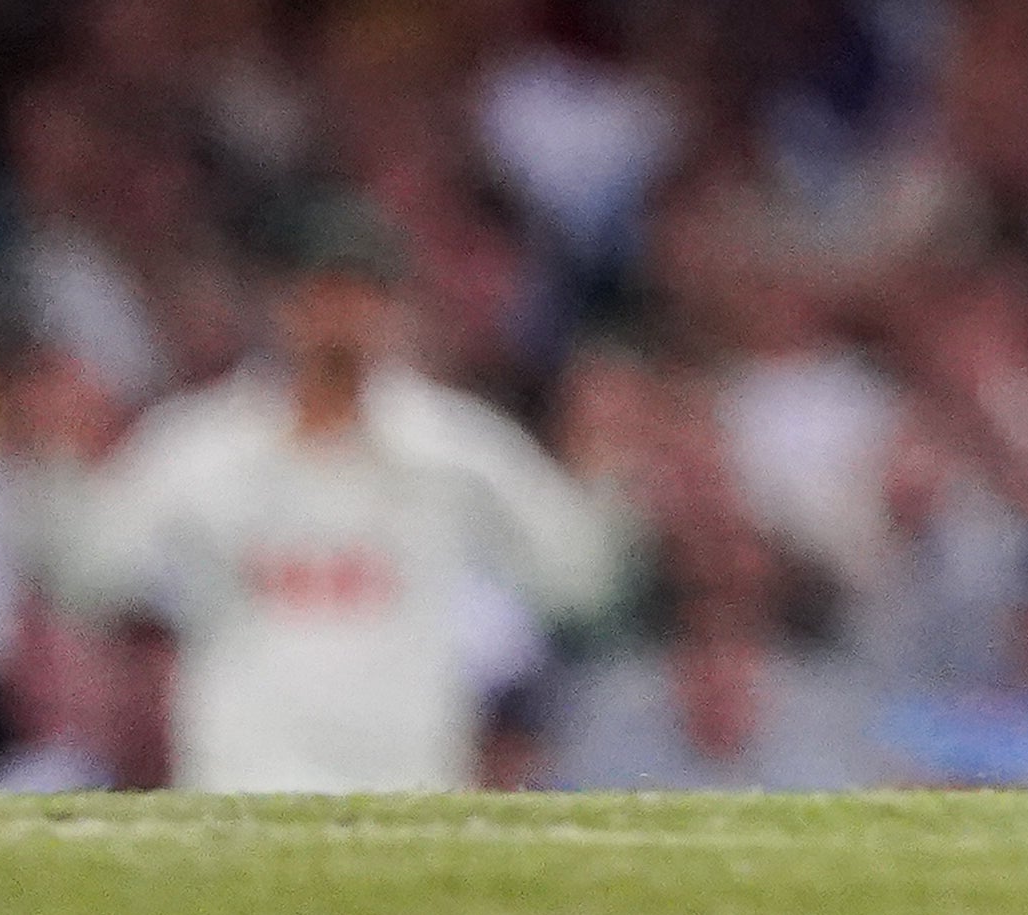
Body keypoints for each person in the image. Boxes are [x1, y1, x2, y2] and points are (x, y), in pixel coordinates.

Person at [35, 204, 625, 792]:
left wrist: (607, 472)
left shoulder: (453, 447)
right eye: (322, 294)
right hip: (244, 781)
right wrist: (60, 461)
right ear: (279, 303)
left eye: (363, 295)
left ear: (395, 310)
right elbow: (87, 574)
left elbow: (581, 581)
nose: (341, 318)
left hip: (405, 783)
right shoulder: (202, 445)